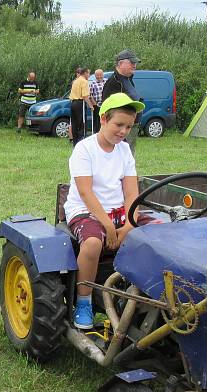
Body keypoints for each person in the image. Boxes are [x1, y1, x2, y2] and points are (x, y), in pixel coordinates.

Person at [63, 93, 145, 329]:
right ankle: (84, 301)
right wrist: (109, 226)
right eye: (118, 124)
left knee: (155, 239)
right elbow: (86, 192)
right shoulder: (84, 149)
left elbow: (131, 193)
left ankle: (141, 299)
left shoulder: (125, 151)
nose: (123, 131)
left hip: (118, 211)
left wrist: (130, 223)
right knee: (92, 243)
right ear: (103, 119)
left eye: (128, 126)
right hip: (86, 211)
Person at [102, 49, 142, 152]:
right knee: (121, 153)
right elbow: (106, 109)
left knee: (128, 153)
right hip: (121, 127)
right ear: (120, 63)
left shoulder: (128, 79)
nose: (134, 65)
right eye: (131, 62)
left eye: (135, 63)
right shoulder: (113, 82)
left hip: (131, 125)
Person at [69, 67, 94, 146]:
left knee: (74, 123)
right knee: (82, 123)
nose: (89, 75)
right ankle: (81, 142)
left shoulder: (75, 81)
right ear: (85, 73)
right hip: (80, 103)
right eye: (89, 73)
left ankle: (75, 142)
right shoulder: (84, 82)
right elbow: (85, 96)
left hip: (73, 103)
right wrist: (91, 106)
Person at [89, 69, 106, 133]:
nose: (99, 77)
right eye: (97, 75)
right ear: (95, 76)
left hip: (106, 104)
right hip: (97, 104)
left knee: (105, 119)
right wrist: (95, 104)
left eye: (100, 75)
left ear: (102, 75)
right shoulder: (92, 83)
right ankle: (97, 133)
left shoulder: (106, 81)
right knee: (97, 121)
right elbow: (90, 95)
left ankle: (105, 132)